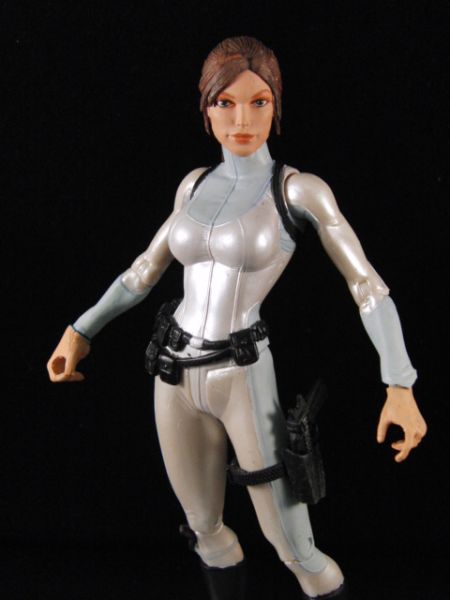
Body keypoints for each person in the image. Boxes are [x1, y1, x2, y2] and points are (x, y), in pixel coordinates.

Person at [47, 36, 427, 600]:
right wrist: (80, 330)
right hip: (172, 371)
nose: (242, 119)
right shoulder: (194, 184)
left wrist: (399, 382)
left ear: (277, 106)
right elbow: (142, 272)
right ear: (205, 109)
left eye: (258, 102)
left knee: (294, 547)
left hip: (241, 373)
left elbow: (367, 287)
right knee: (204, 529)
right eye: (224, 103)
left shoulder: (298, 191)